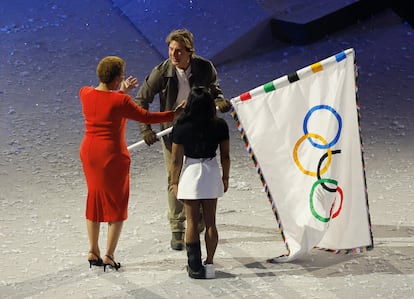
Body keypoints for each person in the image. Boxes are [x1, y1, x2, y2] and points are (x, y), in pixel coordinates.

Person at [79, 56, 183, 271]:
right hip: (112, 156)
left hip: (89, 153)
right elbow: (146, 117)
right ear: (117, 78)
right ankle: (108, 255)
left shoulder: (85, 93)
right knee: (117, 204)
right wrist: (174, 113)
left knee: (95, 199)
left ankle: (93, 250)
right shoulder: (121, 101)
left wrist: (120, 91)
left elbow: (105, 102)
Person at [135, 28, 232, 251]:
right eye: (170, 50)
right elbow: (141, 100)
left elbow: (214, 90)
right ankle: (178, 227)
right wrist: (145, 129)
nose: (173, 55)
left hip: (201, 129)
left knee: (200, 174)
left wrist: (219, 101)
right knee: (175, 175)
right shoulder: (162, 72)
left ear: (189, 52)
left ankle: (198, 220)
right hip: (174, 131)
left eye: (178, 51)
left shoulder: (204, 68)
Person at [170, 86, 230, 279]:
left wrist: (174, 182)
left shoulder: (181, 125)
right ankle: (210, 264)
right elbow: (226, 156)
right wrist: (225, 177)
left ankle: (194, 266)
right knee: (211, 223)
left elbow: (176, 160)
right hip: (211, 172)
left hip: (191, 173)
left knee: (192, 223)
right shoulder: (220, 125)